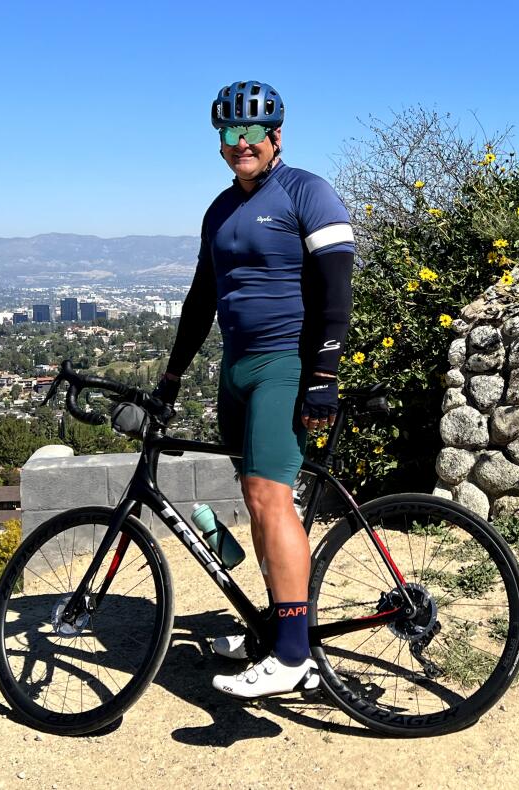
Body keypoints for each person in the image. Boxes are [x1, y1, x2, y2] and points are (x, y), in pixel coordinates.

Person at [154, 80, 355, 698]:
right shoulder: (219, 209)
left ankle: (294, 656)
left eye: (251, 133)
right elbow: (199, 301)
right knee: (258, 502)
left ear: (275, 137)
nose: (240, 143)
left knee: (270, 498)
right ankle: (277, 625)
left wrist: (323, 376)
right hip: (235, 370)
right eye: (228, 134)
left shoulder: (305, 192)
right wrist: (171, 375)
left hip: (284, 367)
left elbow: (336, 289)